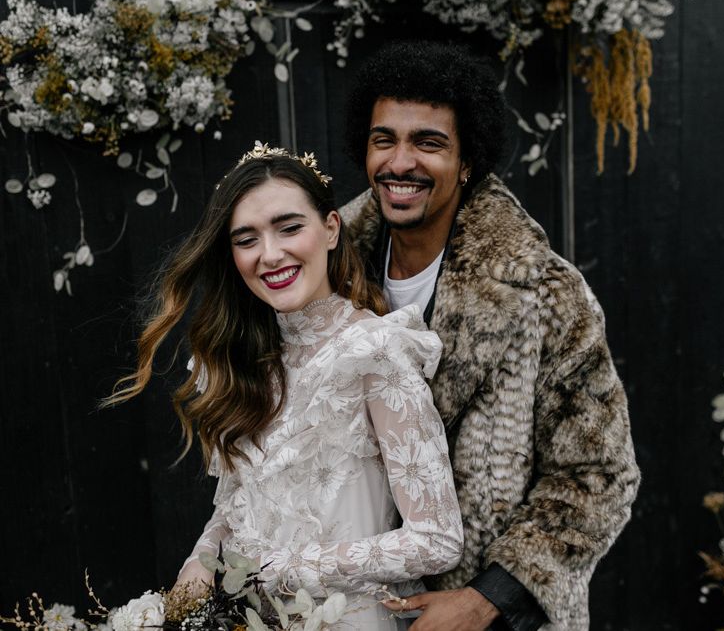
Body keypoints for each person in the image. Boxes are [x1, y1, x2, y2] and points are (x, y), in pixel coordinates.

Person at [339, 40, 641, 631]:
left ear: (469, 161)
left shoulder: (542, 291)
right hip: (353, 605)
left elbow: (599, 474)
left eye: (428, 142)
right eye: (384, 140)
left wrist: (485, 600)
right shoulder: (326, 274)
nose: (400, 163)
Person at [106, 142, 464, 630]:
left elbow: (437, 538)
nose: (270, 255)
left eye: (289, 228)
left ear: (331, 229)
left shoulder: (375, 352)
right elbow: (239, 507)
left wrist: (277, 573)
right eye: (246, 239)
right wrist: (202, 558)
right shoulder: (239, 362)